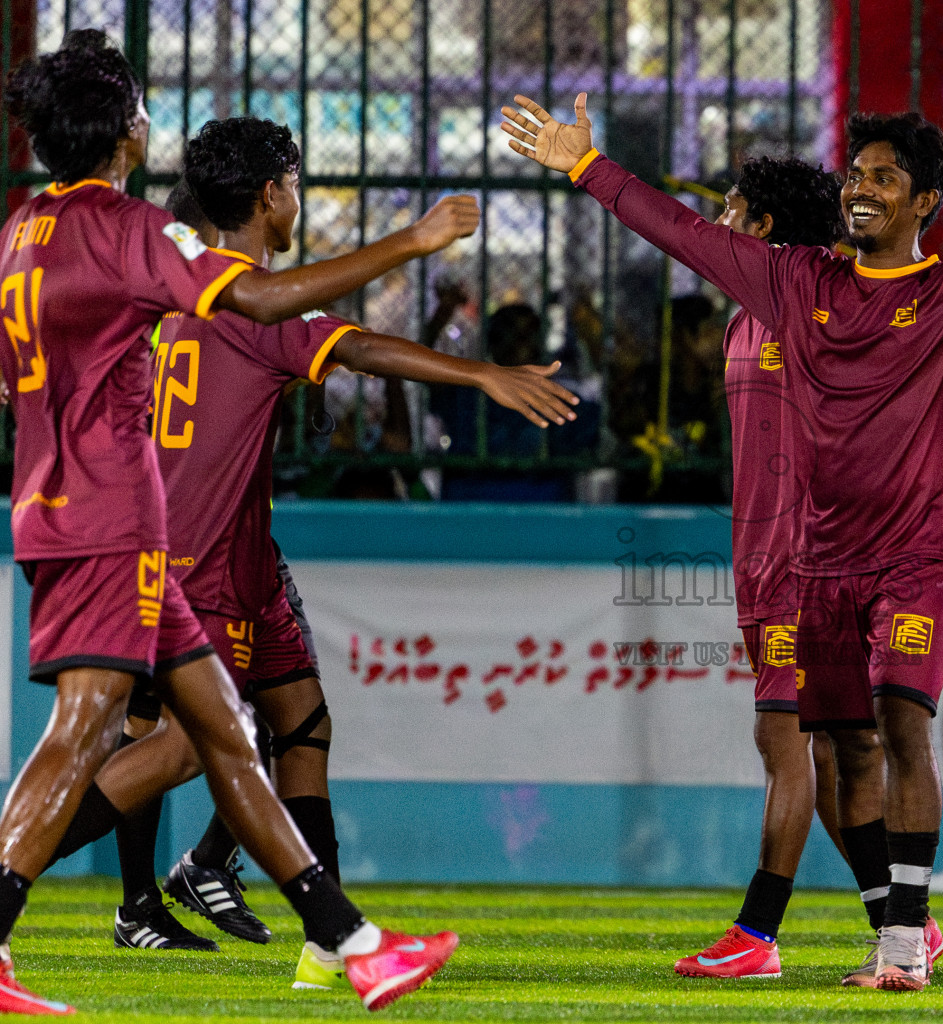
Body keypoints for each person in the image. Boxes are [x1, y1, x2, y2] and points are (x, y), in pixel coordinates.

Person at [503, 93, 943, 991]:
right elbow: (681, 232)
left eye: (884, 178)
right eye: (855, 175)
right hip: (817, 564)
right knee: (841, 753)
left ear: (923, 205)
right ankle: (891, 924)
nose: (860, 189)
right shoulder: (796, 283)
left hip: (919, 554)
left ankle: (901, 945)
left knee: (902, 722)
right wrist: (587, 167)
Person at [36, 116, 577, 988]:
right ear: (269, 196)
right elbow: (357, 347)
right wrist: (478, 372)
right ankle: (14, 868)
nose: (298, 197)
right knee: (182, 749)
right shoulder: (258, 303)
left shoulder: (179, 293)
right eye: (293, 183)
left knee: (304, 725)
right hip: (201, 564)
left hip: (232, 560)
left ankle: (328, 943)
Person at [0, 31, 479, 1013]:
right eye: (137, 105)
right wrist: (411, 242)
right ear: (120, 129)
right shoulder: (131, 230)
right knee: (88, 725)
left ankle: (353, 942)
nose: (146, 119)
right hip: (107, 517)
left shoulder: (20, 231)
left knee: (228, 728)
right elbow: (257, 296)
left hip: (68, 507)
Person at [671, 156, 934, 982]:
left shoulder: (814, 312)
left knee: (784, 741)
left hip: (810, 563)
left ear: (766, 231)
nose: (720, 227)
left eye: (733, 213)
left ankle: (756, 934)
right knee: (834, 760)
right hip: (762, 558)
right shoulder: (743, 321)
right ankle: (903, 922)